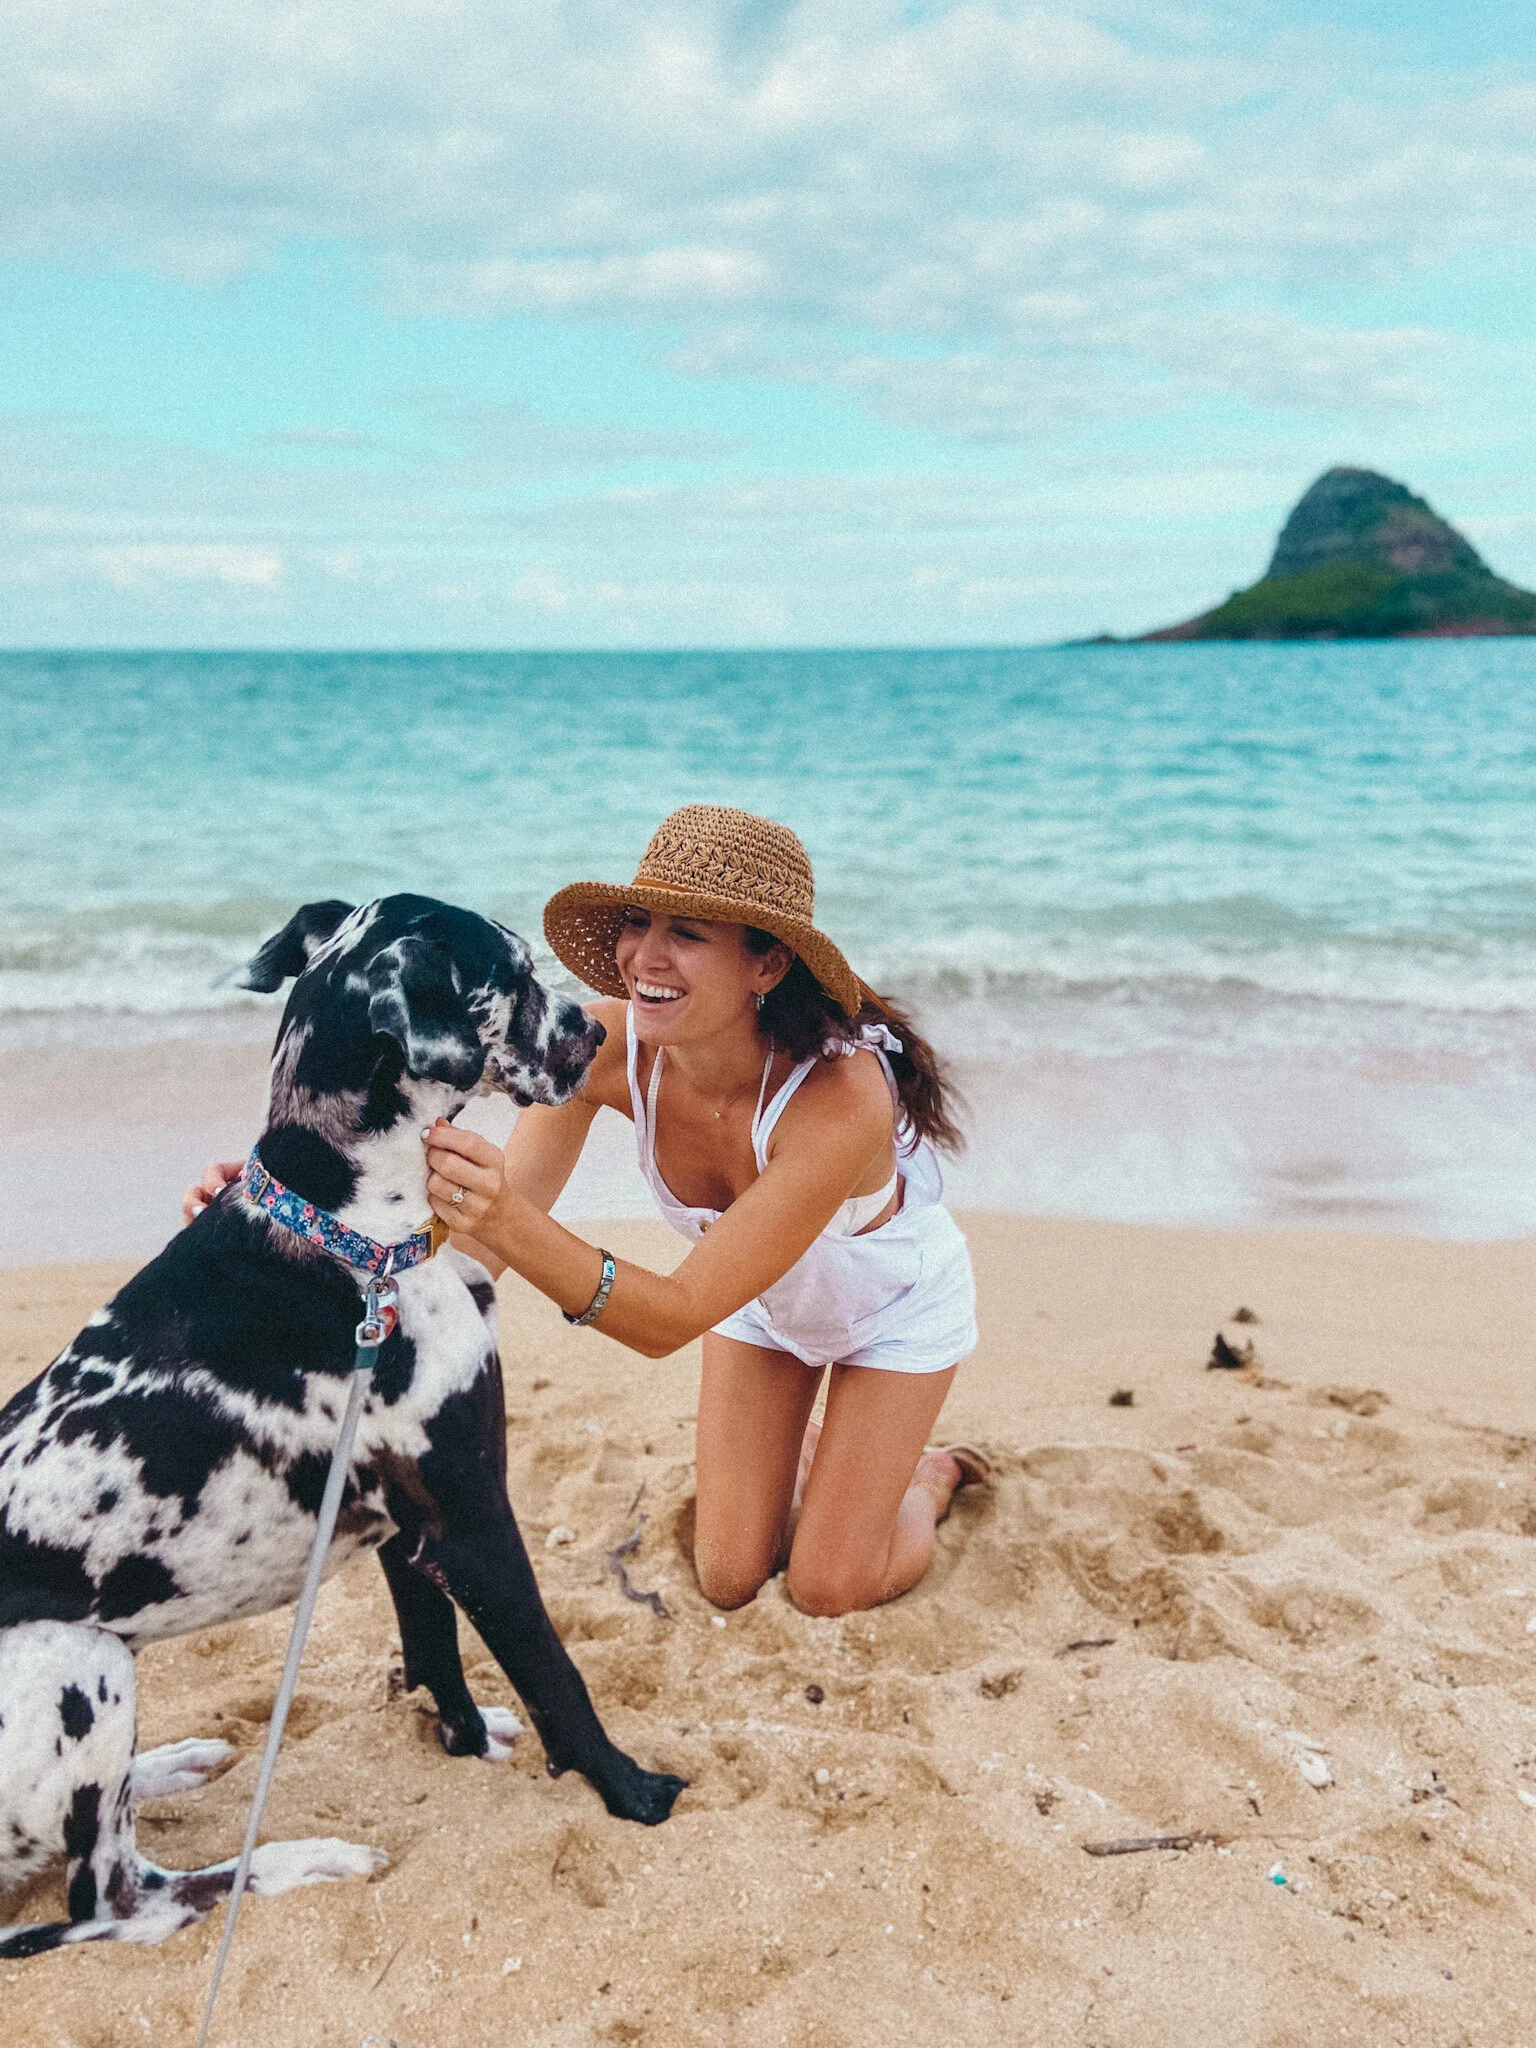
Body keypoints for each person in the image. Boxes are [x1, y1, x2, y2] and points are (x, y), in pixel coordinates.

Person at [185, 806, 981, 1617]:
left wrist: (504, 1218)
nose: (646, 957)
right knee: (732, 1578)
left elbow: (670, 1318)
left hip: (891, 1314)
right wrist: (274, 1217)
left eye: (690, 934)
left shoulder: (841, 1101)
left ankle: (928, 1476)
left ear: (768, 965)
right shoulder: (605, 1045)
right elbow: (467, 1260)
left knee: (826, 1587)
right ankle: (825, 1450)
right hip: (762, 1312)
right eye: (639, 922)